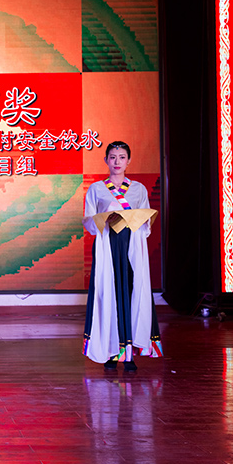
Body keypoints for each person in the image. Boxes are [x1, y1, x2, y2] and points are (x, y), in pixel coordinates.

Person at [82, 141, 163, 372]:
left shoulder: (138, 189)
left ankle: (130, 353)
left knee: (132, 292)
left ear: (129, 161)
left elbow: (146, 222)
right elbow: (88, 220)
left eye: (122, 157)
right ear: (106, 160)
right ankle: (111, 352)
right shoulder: (96, 189)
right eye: (113, 157)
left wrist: (136, 219)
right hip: (107, 245)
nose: (117, 162)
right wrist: (104, 219)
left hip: (132, 246)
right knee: (108, 294)